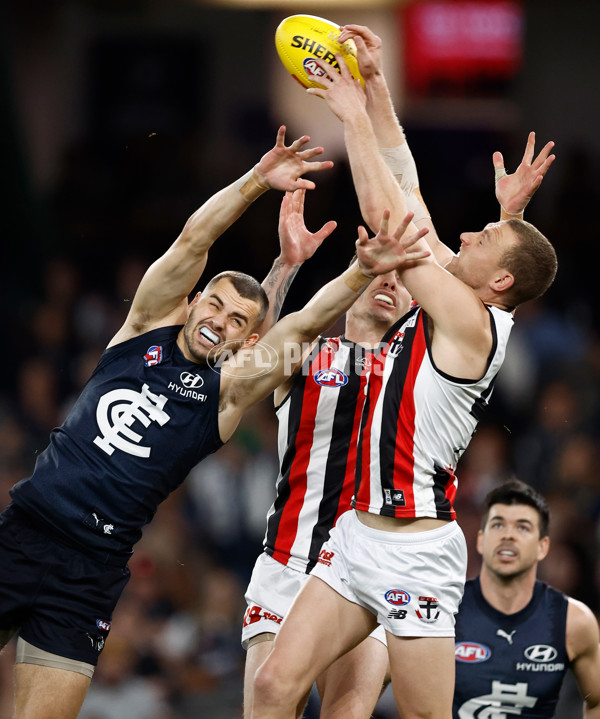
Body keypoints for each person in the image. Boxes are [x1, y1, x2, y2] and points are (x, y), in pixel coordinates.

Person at [0, 123, 431, 719]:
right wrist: (257, 180)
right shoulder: (144, 325)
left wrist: (359, 273)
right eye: (214, 305)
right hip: (25, 530)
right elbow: (192, 238)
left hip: (90, 572)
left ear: (245, 340)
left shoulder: (226, 395)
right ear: (194, 298)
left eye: (236, 323)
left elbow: (297, 330)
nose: (218, 322)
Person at [250, 31, 559, 719]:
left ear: (500, 281)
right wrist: (378, 87)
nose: (468, 236)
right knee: (273, 685)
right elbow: (408, 187)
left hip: (416, 548)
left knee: (423, 714)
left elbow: (390, 216)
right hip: (356, 533)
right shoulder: (453, 294)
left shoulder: (471, 324)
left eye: (484, 239)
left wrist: (350, 114)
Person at [242, 201, 413, 718]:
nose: (390, 282)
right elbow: (254, 349)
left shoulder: (418, 375)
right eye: (380, 269)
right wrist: (286, 264)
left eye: (405, 279)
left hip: (366, 571)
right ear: (356, 279)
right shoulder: (307, 354)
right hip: (288, 562)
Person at [454, 479, 600, 718]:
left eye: (522, 527)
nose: (508, 536)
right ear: (481, 540)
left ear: (543, 547)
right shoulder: (446, 611)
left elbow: (596, 702)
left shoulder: (573, 621)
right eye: (498, 525)